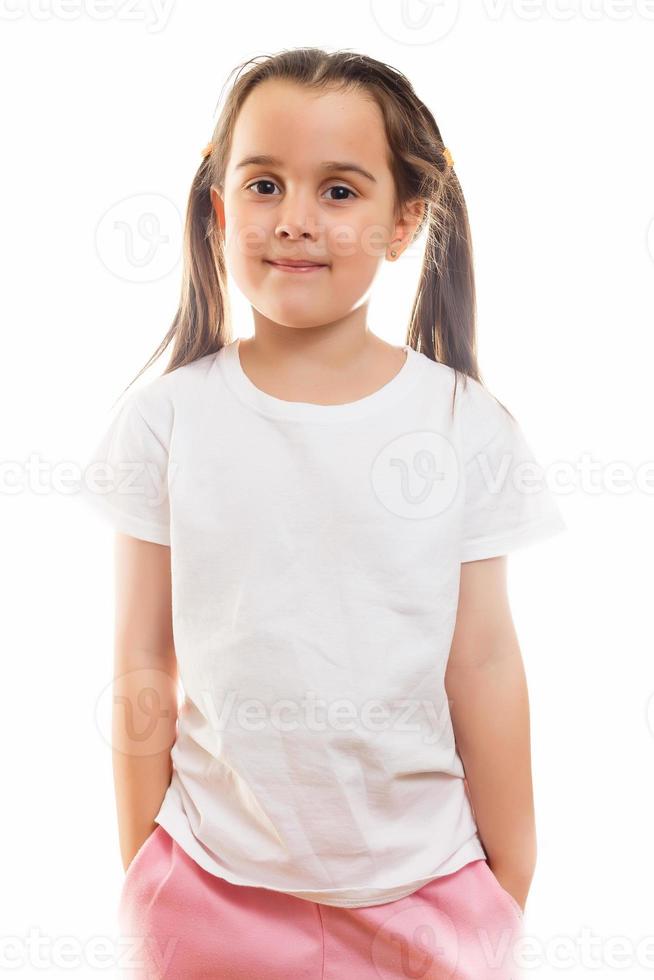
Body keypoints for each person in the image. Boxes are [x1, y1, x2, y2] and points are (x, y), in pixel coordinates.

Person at [81, 46, 566, 980]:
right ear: (221, 209)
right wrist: (143, 865)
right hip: (208, 888)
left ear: (404, 222)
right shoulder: (166, 419)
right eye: (264, 184)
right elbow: (144, 655)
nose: (295, 220)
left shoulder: (464, 423)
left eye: (340, 191)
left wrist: (511, 880)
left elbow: (486, 659)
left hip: (430, 894)